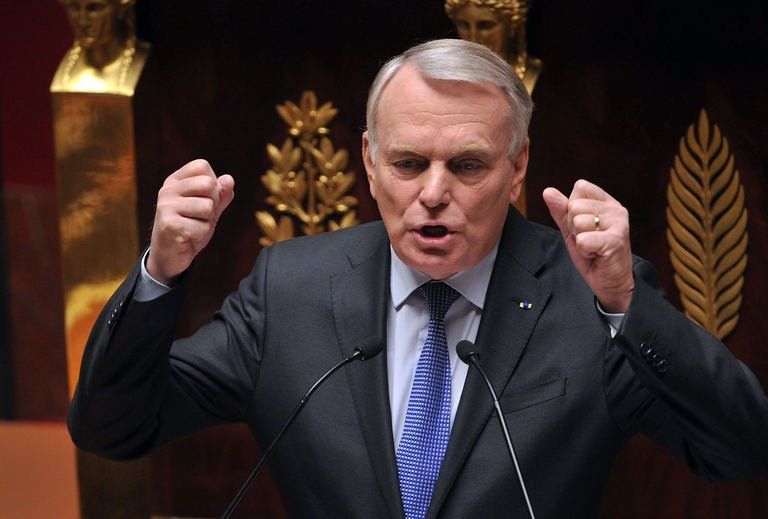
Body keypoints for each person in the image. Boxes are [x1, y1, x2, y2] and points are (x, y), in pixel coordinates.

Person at [68, 39, 768, 518]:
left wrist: (624, 304)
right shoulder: (291, 290)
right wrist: (160, 271)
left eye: (467, 165)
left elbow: (739, 448)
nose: (433, 194)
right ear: (369, 162)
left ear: (518, 167)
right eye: (408, 164)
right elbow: (112, 428)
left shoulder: (591, 299)